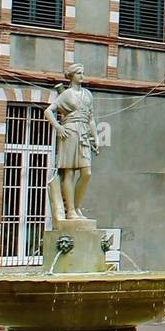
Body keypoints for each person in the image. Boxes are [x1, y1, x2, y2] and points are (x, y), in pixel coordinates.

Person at [45, 63, 99, 221]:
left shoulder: (88, 94)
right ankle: (71, 211)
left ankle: (76, 206)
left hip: (83, 132)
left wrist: (95, 137)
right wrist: (58, 127)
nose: (82, 76)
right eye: (79, 73)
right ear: (72, 76)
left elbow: (91, 118)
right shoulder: (66, 94)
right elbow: (48, 111)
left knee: (86, 172)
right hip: (70, 131)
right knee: (69, 172)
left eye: (83, 73)